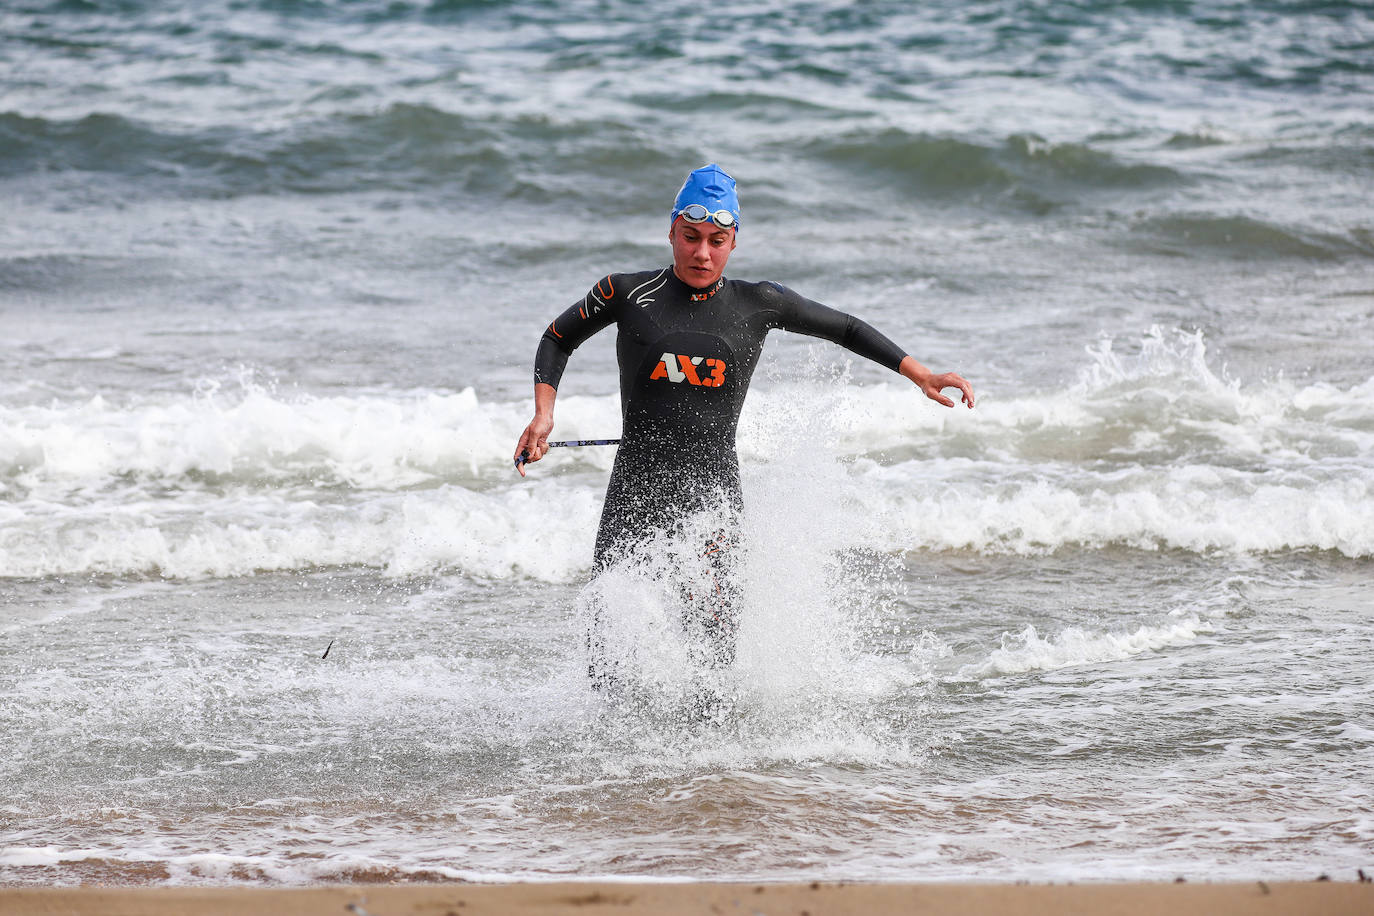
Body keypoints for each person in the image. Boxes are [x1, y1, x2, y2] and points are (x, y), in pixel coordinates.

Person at [514, 163, 974, 682]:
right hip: (635, 487)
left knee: (713, 645)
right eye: (690, 237)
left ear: (735, 241)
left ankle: (718, 764)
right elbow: (557, 336)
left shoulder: (759, 303)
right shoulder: (625, 293)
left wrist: (920, 373)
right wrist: (544, 414)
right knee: (609, 643)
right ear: (671, 231)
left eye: (716, 240)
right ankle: (621, 760)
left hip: (712, 491)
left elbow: (844, 327)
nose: (701, 253)